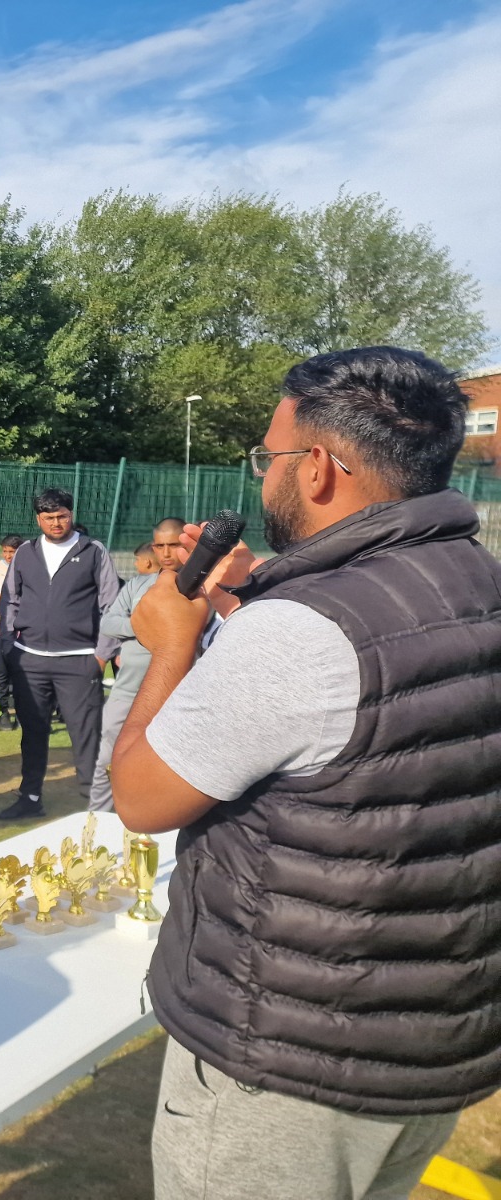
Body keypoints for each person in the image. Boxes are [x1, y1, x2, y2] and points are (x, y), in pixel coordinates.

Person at [111, 346, 501, 1200]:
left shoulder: (300, 634)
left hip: (285, 1069)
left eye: (270, 457)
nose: (263, 479)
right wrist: (254, 611)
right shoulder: (478, 579)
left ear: (318, 468)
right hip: (428, 1046)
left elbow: (140, 796)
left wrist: (174, 646)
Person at [0, 489, 120, 819]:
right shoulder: (25, 552)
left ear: (71, 513)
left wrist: (101, 655)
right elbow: (11, 600)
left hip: (80, 659)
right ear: (38, 518)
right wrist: (10, 645)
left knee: (86, 735)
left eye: (61, 515)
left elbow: (111, 605)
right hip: (30, 660)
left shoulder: (93, 550)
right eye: (48, 517)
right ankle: (30, 798)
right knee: (33, 733)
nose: (56, 522)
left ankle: (96, 805)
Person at [86, 518, 185, 814]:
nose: (166, 552)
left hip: (177, 695)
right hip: (127, 692)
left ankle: (161, 827)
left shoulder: (202, 588)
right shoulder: (137, 585)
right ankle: (96, 823)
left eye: (174, 545)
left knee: (169, 768)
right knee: (108, 759)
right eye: (160, 545)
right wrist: (143, 625)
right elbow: (108, 622)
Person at [0, 534, 23, 731]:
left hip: (24, 631)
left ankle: (22, 712)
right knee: (1, 673)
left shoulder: (30, 568)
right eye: (6, 551)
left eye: (13, 551)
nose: (9, 555)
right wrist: (6, 596)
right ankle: (2, 712)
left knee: (23, 673)